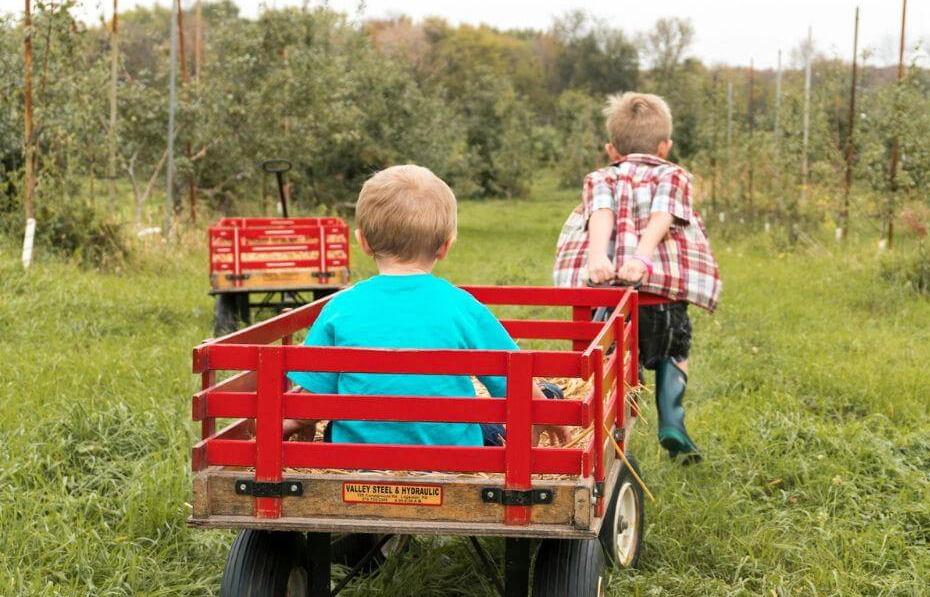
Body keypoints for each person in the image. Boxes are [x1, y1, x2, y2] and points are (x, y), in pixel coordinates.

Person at [287, 164, 566, 447]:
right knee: (537, 398)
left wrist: (291, 424)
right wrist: (543, 411)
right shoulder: (462, 307)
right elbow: (512, 376)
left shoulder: (340, 307)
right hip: (455, 459)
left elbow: (310, 402)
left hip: (356, 460)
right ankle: (550, 392)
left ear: (363, 242)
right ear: (445, 246)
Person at [553, 92, 722, 463]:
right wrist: (643, 261)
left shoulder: (600, 177)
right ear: (665, 146)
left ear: (612, 149)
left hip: (612, 299)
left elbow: (601, 213)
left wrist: (599, 257)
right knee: (673, 352)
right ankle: (672, 421)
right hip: (662, 299)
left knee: (610, 361)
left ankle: (606, 432)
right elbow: (663, 215)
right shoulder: (675, 174)